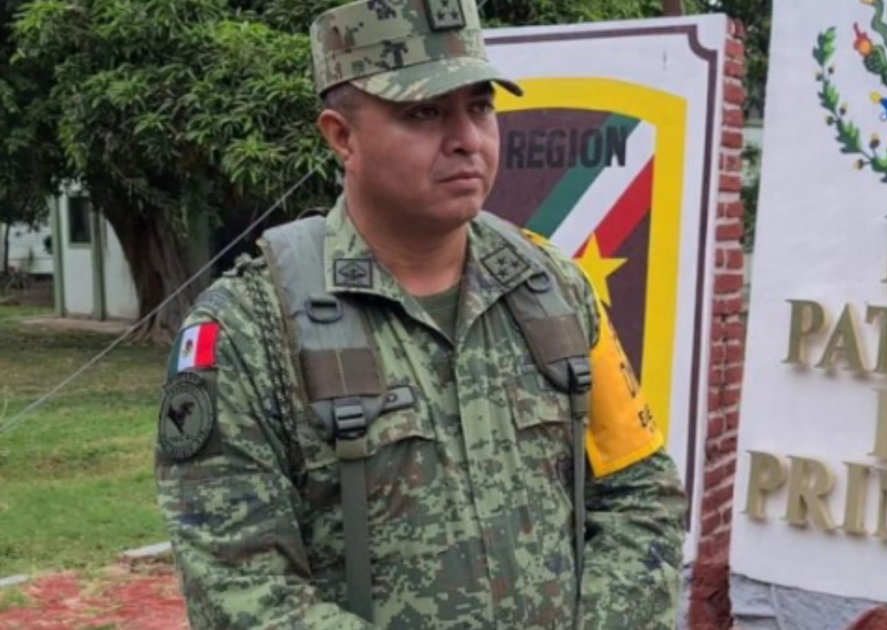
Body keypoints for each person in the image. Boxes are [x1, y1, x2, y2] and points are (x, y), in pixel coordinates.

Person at [153, 1, 688, 629]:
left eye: (480, 107)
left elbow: (641, 497)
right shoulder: (249, 330)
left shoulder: (553, 290)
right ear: (341, 136)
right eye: (424, 112)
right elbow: (239, 591)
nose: (468, 139)